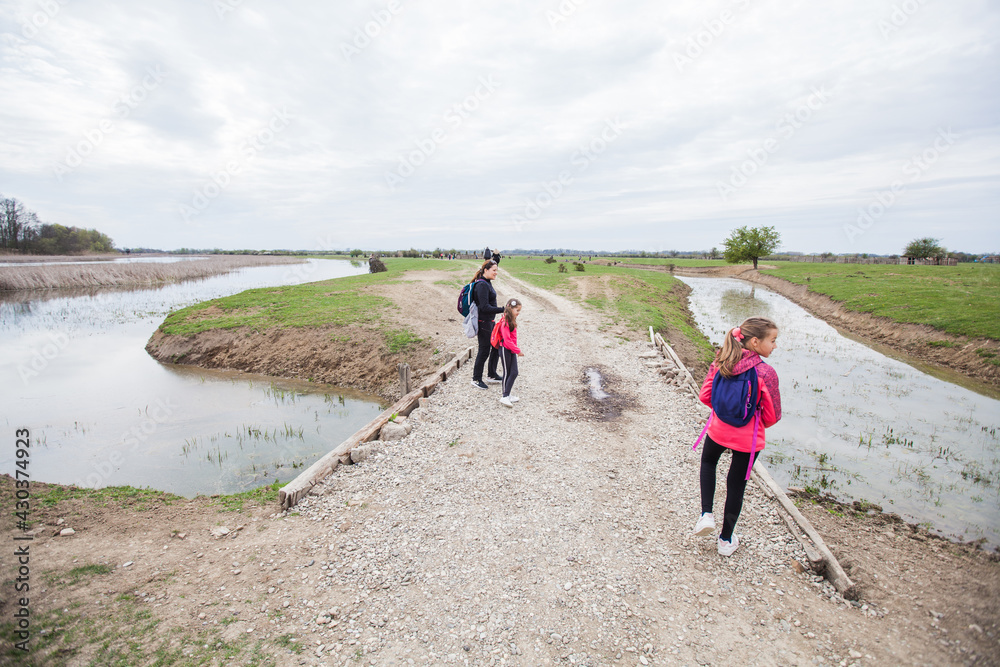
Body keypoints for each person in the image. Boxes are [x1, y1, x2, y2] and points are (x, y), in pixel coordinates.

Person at [693, 316, 781, 556]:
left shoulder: (722, 361)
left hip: (718, 430)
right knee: (736, 485)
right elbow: (773, 417)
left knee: (708, 463)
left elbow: (705, 396)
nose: (775, 346)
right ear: (754, 341)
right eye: (772, 340)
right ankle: (725, 540)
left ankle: (706, 515)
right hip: (748, 439)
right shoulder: (766, 373)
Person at [470, 260, 504, 389]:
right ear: (486, 270)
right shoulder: (482, 285)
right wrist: (503, 309)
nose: (496, 273)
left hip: (489, 322)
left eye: (497, 270)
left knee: (496, 346)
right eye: (494, 270)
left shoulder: (487, 283)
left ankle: (492, 374)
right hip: (483, 323)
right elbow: (484, 307)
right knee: (484, 351)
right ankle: (476, 379)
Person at [494, 298, 523, 407]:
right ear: (510, 309)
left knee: (514, 372)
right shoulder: (505, 322)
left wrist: (515, 350)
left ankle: (508, 394)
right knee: (507, 372)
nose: (518, 313)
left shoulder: (512, 321)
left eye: (519, 311)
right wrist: (517, 350)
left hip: (511, 350)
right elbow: (507, 340)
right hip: (505, 349)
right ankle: (505, 396)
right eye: (517, 310)